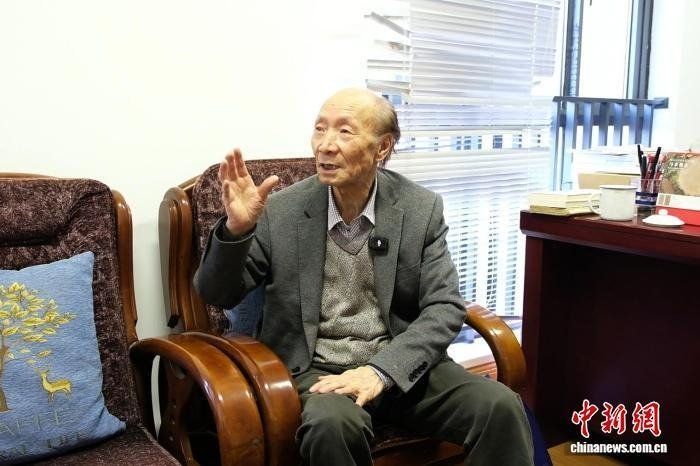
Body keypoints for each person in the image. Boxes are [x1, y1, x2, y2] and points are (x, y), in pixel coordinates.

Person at [193, 88, 534, 465]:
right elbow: (217, 294)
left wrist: (381, 371)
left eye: (344, 131)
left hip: (400, 363)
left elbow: (444, 306)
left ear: (382, 147)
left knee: (500, 408)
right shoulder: (281, 211)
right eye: (320, 129)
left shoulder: (419, 208)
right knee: (331, 427)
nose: (326, 145)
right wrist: (236, 231)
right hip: (319, 372)